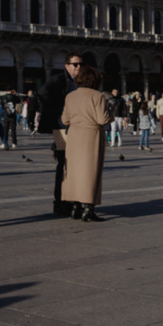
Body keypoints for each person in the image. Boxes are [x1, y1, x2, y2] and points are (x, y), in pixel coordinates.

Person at [61, 65, 112, 222]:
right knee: (90, 171)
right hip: (91, 136)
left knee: (74, 172)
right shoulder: (98, 96)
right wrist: (111, 112)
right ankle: (88, 209)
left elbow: (65, 120)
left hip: (75, 136)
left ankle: (75, 207)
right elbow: (102, 119)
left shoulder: (70, 96)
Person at [37, 51, 82, 215]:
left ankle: (71, 201)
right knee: (63, 165)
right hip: (61, 129)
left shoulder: (78, 82)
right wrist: (56, 109)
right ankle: (60, 202)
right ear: (66, 66)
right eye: (75, 64)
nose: (78, 67)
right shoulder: (59, 79)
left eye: (80, 64)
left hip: (75, 128)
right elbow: (42, 92)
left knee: (74, 166)